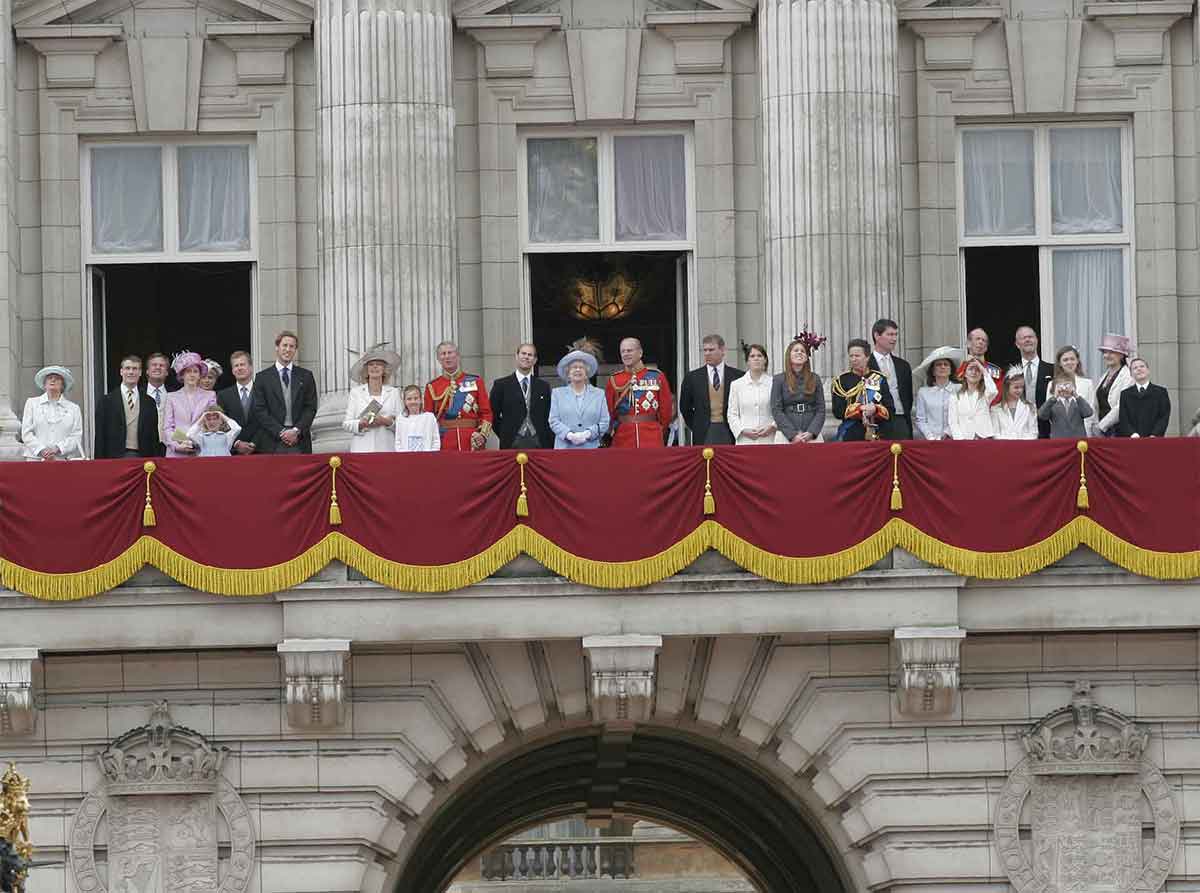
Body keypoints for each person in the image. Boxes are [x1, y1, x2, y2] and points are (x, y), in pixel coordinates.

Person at [250, 330, 319, 454]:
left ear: (295, 350)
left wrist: (296, 430)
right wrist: (281, 432)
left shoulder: (306, 376)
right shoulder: (262, 378)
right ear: (277, 347)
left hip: (299, 440)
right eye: (284, 345)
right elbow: (259, 410)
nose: (288, 349)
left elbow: (310, 407)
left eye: (292, 346)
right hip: (272, 441)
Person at [424, 341, 493, 451]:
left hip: (472, 439)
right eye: (443, 354)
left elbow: (486, 412)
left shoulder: (476, 381)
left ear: (457, 356)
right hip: (444, 440)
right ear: (438, 359)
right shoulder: (432, 386)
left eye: (450, 353)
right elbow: (428, 418)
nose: (447, 356)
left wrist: (482, 434)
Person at [605, 337, 673, 448]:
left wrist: (660, 430)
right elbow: (609, 411)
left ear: (640, 353)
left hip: (651, 436)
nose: (626, 354)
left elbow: (666, 411)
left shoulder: (657, 376)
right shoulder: (614, 379)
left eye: (629, 350)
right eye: (623, 351)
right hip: (623, 437)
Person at [679, 334, 745, 446]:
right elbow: (685, 408)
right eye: (705, 350)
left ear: (722, 350)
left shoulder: (738, 376)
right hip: (704, 431)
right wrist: (697, 425)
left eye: (711, 350)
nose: (707, 353)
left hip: (730, 431)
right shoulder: (692, 377)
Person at [95, 355, 160, 459]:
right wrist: (99, 464)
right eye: (127, 368)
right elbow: (100, 437)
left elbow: (154, 437)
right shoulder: (106, 401)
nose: (131, 372)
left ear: (140, 373)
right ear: (121, 372)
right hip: (114, 458)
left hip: (143, 458)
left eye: (135, 369)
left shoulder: (149, 402)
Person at [490, 343, 552, 450]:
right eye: (523, 353)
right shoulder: (501, 385)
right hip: (511, 442)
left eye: (530, 355)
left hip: (540, 442)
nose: (526, 357)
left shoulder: (543, 386)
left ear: (535, 360)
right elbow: (492, 414)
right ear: (516, 356)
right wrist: (505, 433)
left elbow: (549, 415)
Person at [341, 345, 401, 453]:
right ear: (366, 370)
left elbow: (402, 425)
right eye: (371, 365)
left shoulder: (393, 393)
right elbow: (346, 423)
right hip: (362, 447)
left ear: (384, 369)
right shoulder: (356, 393)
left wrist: (386, 422)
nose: (375, 367)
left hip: (386, 448)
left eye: (378, 364)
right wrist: (362, 423)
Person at [832, 339, 893, 441]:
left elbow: (890, 409)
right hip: (851, 434)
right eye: (851, 356)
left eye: (857, 356)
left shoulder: (879, 378)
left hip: (878, 434)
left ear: (867, 357)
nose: (853, 359)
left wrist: (875, 409)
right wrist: (859, 409)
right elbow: (837, 411)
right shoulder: (841, 380)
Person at [549, 349, 609, 450]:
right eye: (574, 367)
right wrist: (569, 435)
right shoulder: (557, 394)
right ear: (568, 373)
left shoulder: (599, 394)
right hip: (565, 448)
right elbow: (553, 420)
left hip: (591, 449)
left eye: (581, 367)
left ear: (586, 373)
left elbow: (605, 421)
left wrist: (588, 434)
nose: (578, 370)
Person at [21, 365, 83, 461]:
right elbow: (26, 433)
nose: (53, 380)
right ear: (44, 384)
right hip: (35, 459)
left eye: (57, 378)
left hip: (62, 460)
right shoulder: (32, 403)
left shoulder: (74, 409)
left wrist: (58, 448)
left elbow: (76, 436)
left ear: (63, 385)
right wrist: (42, 450)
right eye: (49, 378)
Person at [162, 351, 217, 457]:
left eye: (195, 371)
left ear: (200, 375)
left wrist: (196, 442)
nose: (192, 375)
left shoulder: (210, 395)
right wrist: (178, 445)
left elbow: (212, 423)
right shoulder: (171, 397)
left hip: (201, 451)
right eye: (188, 371)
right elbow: (167, 428)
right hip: (177, 453)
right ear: (182, 375)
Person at [771, 337, 826, 443]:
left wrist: (812, 432)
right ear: (789, 355)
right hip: (786, 435)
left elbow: (821, 409)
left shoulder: (815, 379)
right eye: (796, 350)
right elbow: (776, 409)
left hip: (811, 435)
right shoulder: (779, 379)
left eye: (802, 351)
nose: (799, 353)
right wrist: (792, 435)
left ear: (806, 357)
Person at [728, 344, 784, 445]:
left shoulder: (774, 383)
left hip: (770, 439)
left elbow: (781, 409)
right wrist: (742, 430)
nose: (756, 359)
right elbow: (732, 414)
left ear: (765, 360)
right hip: (745, 440)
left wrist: (773, 426)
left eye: (759, 356)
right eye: (752, 356)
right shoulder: (736, 385)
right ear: (747, 361)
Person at [868, 319, 913, 439]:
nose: (894, 339)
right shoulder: (866, 365)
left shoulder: (903, 365)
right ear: (877, 336)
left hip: (900, 420)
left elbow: (908, 396)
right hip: (876, 421)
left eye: (895, 335)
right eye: (890, 334)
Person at [912, 346, 962, 440]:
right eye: (938, 364)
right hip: (931, 440)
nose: (942, 367)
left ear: (951, 370)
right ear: (933, 371)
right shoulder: (923, 392)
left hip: (955, 438)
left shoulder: (959, 389)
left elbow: (961, 416)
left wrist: (948, 433)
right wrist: (930, 437)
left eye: (946, 364)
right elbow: (920, 419)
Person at [216, 351, 259, 455]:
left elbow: (267, 421)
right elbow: (221, 423)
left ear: (251, 367)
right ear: (232, 371)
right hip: (233, 452)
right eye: (236, 365)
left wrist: (254, 443)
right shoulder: (223, 395)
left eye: (242, 364)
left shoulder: (263, 392)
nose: (239, 368)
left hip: (260, 450)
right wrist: (236, 443)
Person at [1014, 326, 1054, 437]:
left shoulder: (1053, 369)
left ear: (1036, 340)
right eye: (1023, 338)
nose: (1027, 340)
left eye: (1030, 337)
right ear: (1017, 344)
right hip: (1019, 429)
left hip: (1047, 428)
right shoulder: (1010, 370)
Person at [1117, 357, 1171, 438]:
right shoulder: (1125, 394)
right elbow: (1123, 418)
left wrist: (1155, 434)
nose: (1139, 369)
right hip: (1132, 440)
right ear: (1131, 374)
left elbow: (1164, 417)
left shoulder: (1161, 392)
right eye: (1135, 368)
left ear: (1148, 370)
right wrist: (1132, 434)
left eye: (1142, 366)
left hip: (1155, 440)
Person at [1093, 334, 1134, 437]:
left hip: (1119, 430)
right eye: (1105, 352)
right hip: (1103, 430)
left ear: (1121, 355)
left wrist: (1101, 426)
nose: (1107, 355)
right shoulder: (1104, 376)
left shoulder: (1128, 376)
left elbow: (1122, 406)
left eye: (1111, 352)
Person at [1052, 346, 1096, 435]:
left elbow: (1091, 411)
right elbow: (1050, 413)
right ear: (1060, 363)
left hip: (1083, 433)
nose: (1069, 362)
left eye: (1072, 359)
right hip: (1060, 435)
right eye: (1065, 360)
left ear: (1077, 361)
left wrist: (1088, 432)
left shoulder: (1087, 383)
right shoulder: (1052, 384)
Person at [948, 358, 995, 440]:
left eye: (977, 370)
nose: (974, 372)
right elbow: (953, 422)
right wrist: (960, 439)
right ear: (965, 374)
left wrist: (983, 370)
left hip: (984, 438)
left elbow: (993, 391)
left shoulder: (985, 394)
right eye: (970, 369)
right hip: (964, 439)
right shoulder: (955, 396)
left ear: (981, 376)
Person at [992, 366, 1038, 440]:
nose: (1020, 390)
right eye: (1016, 387)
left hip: (1025, 448)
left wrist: (1019, 443)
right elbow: (995, 434)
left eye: (1022, 387)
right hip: (1004, 448)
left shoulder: (1030, 407)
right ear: (1007, 387)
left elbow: (1034, 432)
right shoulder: (996, 409)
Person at [956, 328, 1001, 399]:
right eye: (977, 339)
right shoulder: (959, 369)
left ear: (986, 348)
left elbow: (999, 395)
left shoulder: (995, 371)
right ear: (968, 344)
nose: (981, 342)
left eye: (984, 340)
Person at [395, 385, 440, 452]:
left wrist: (431, 456)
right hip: (406, 459)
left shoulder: (430, 418)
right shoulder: (400, 419)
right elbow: (398, 442)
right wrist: (403, 456)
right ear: (404, 401)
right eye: (409, 399)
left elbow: (436, 440)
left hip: (427, 458)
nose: (413, 402)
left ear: (421, 400)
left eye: (416, 398)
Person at [144, 352, 169, 456]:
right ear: (147, 371)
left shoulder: (175, 394)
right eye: (154, 365)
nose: (158, 368)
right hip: (145, 447)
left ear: (167, 372)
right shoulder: (138, 394)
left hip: (169, 447)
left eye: (162, 365)